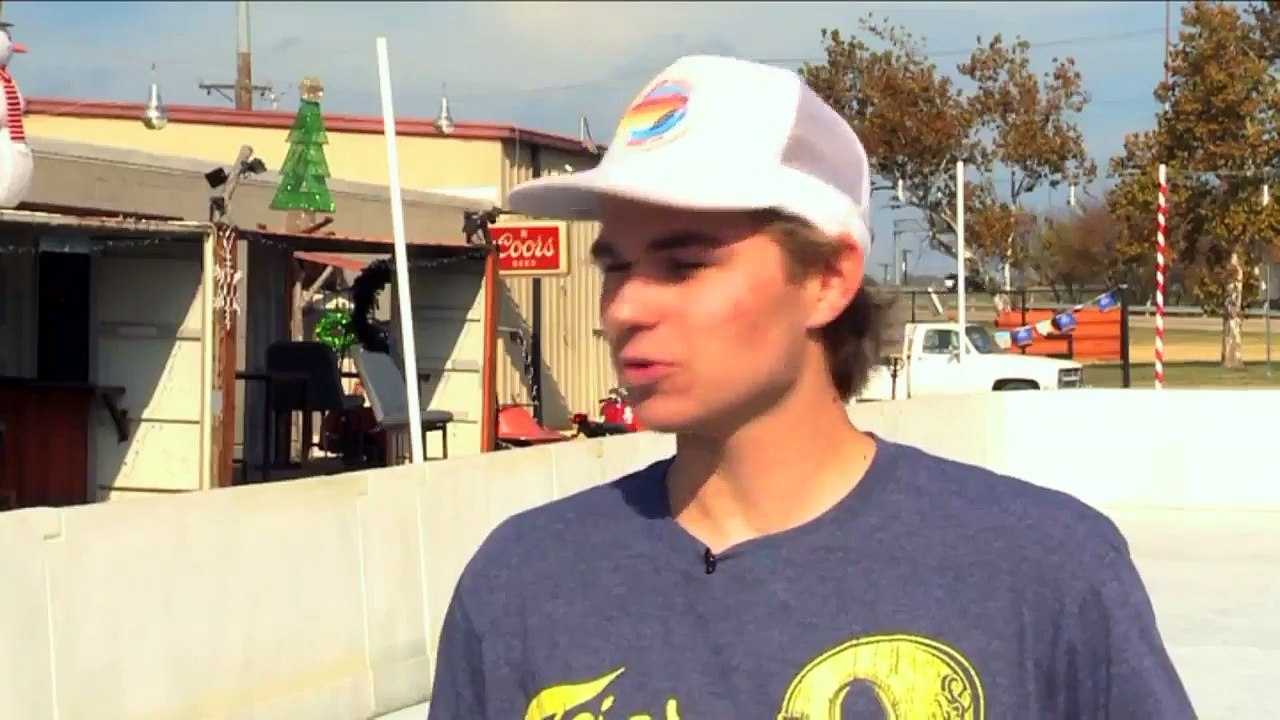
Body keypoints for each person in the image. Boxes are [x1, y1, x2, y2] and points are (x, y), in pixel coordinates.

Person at [427, 54, 1194, 719]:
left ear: (827, 279)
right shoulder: (522, 584)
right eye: (617, 267)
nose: (626, 308)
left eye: (684, 265)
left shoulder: (1044, 571)